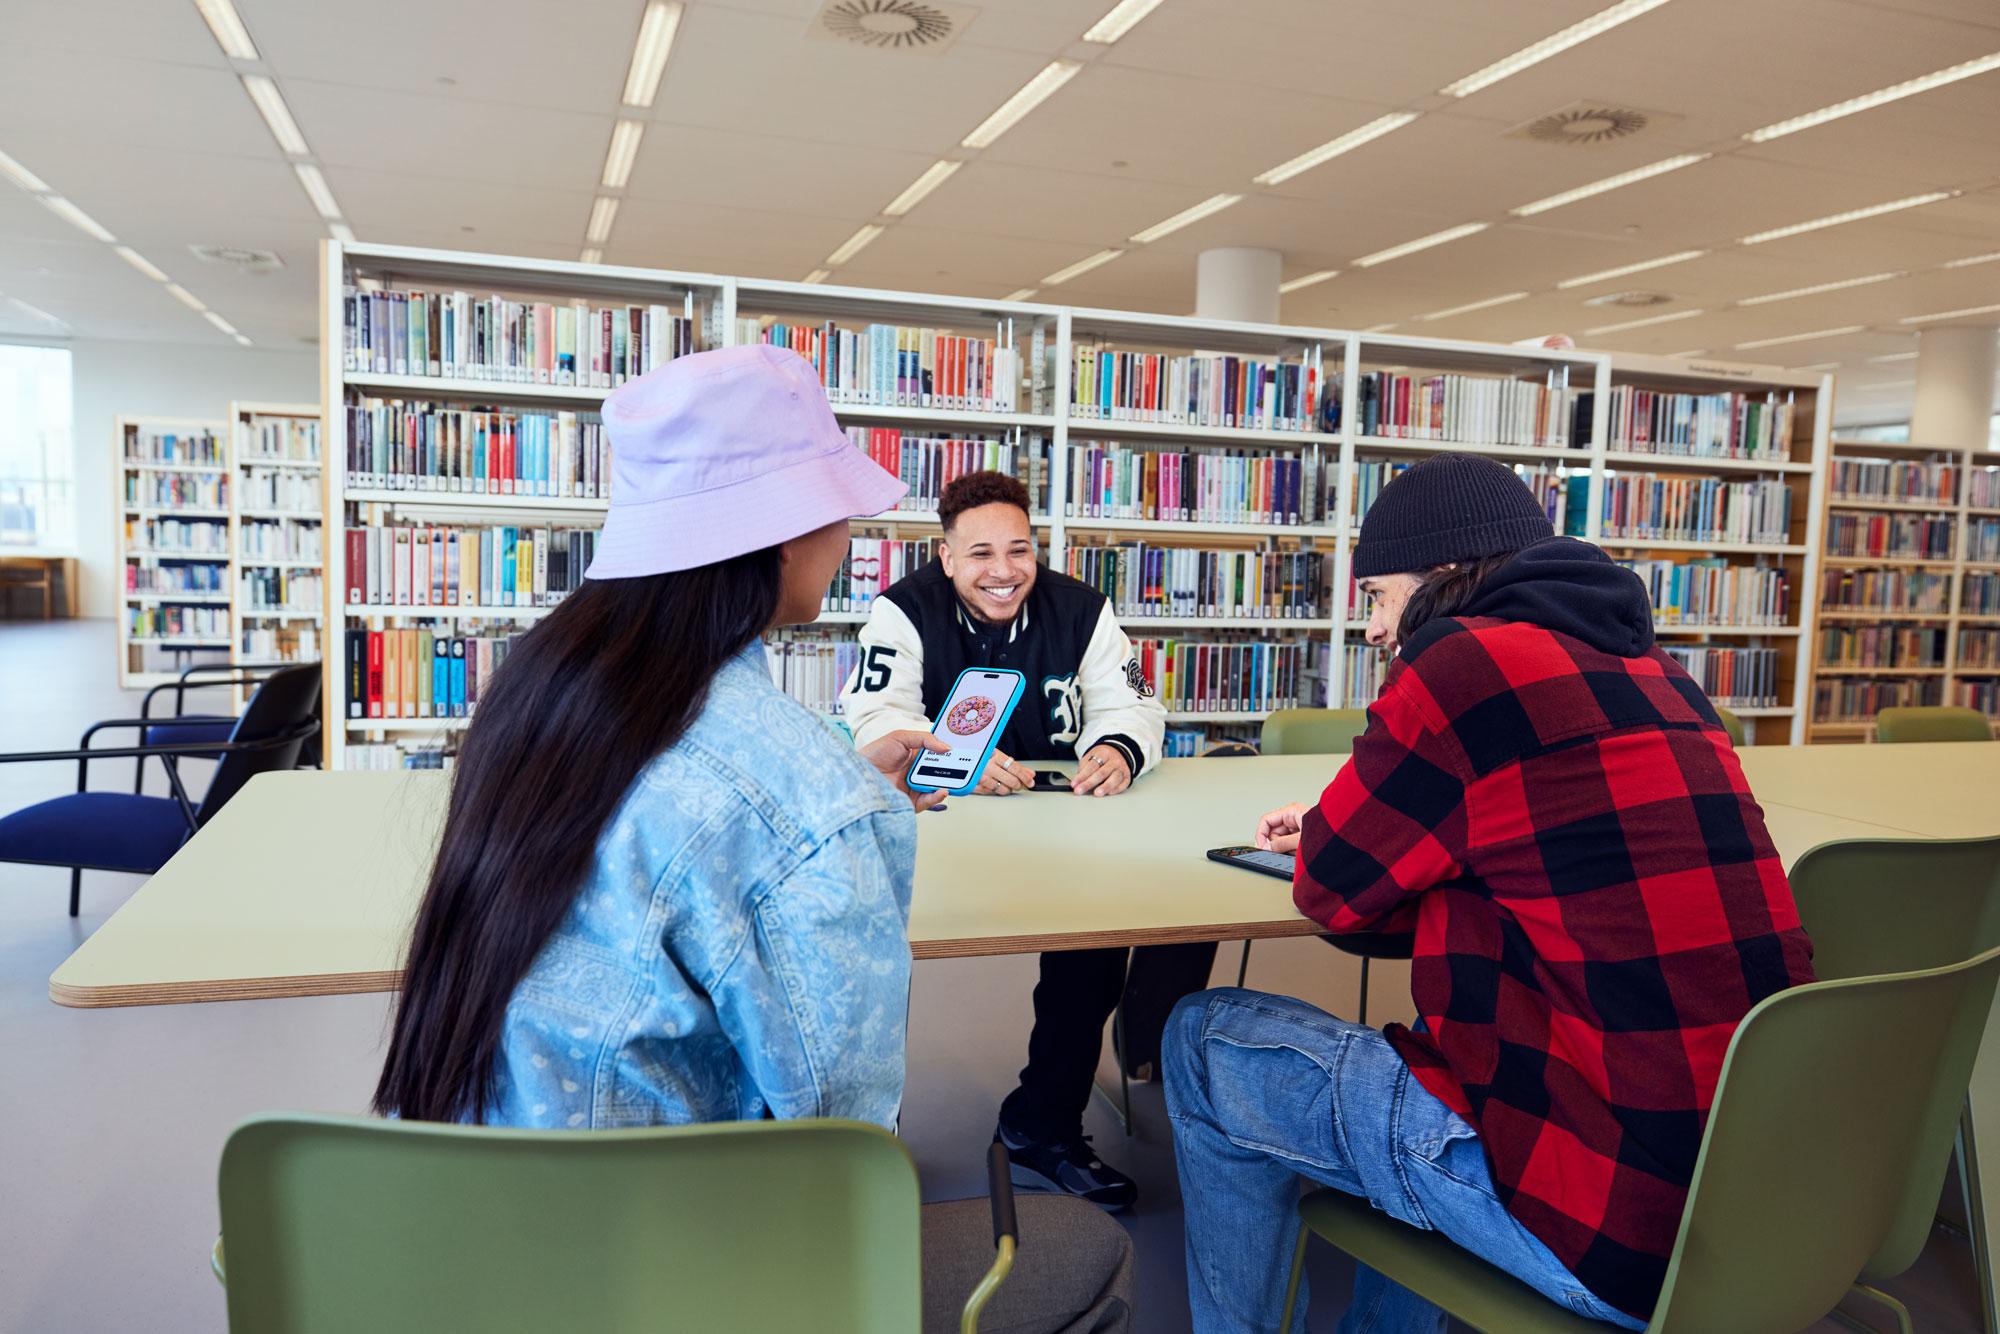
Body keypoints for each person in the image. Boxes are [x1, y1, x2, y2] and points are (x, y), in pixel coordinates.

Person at [373, 345, 1133, 1334]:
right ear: (783, 533)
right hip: (674, 1277)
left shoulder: (540, 693)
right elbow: (840, 1148)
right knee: (1090, 1248)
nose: (849, 530)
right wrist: (830, 806)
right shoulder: (811, 799)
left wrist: (831, 785)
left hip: (477, 1243)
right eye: (835, 506)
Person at [1161, 453, 1815, 1332]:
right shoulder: (1660, 674)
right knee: (1445, 1029)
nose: (1372, 629)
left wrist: (1349, 823)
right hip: (1758, 1208)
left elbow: (1331, 892)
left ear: (1441, 579)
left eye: (1379, 597)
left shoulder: (1461, 665)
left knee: (1200, 1039)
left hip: (1613, 1228)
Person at [842, 470, 1193, 1211]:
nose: (1003, 571)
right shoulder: (900, 611)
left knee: (1094, 953)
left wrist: (1120, 747)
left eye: (1019, 550)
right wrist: (940, 755)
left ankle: (1044, 1125)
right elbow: (874, 716)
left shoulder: (1086, 610)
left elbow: (1135, 701)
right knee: (874, 958)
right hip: (938, 829)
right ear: (945, 556)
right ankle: (862, 1144)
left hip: (1065, 830)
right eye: (980, 555)